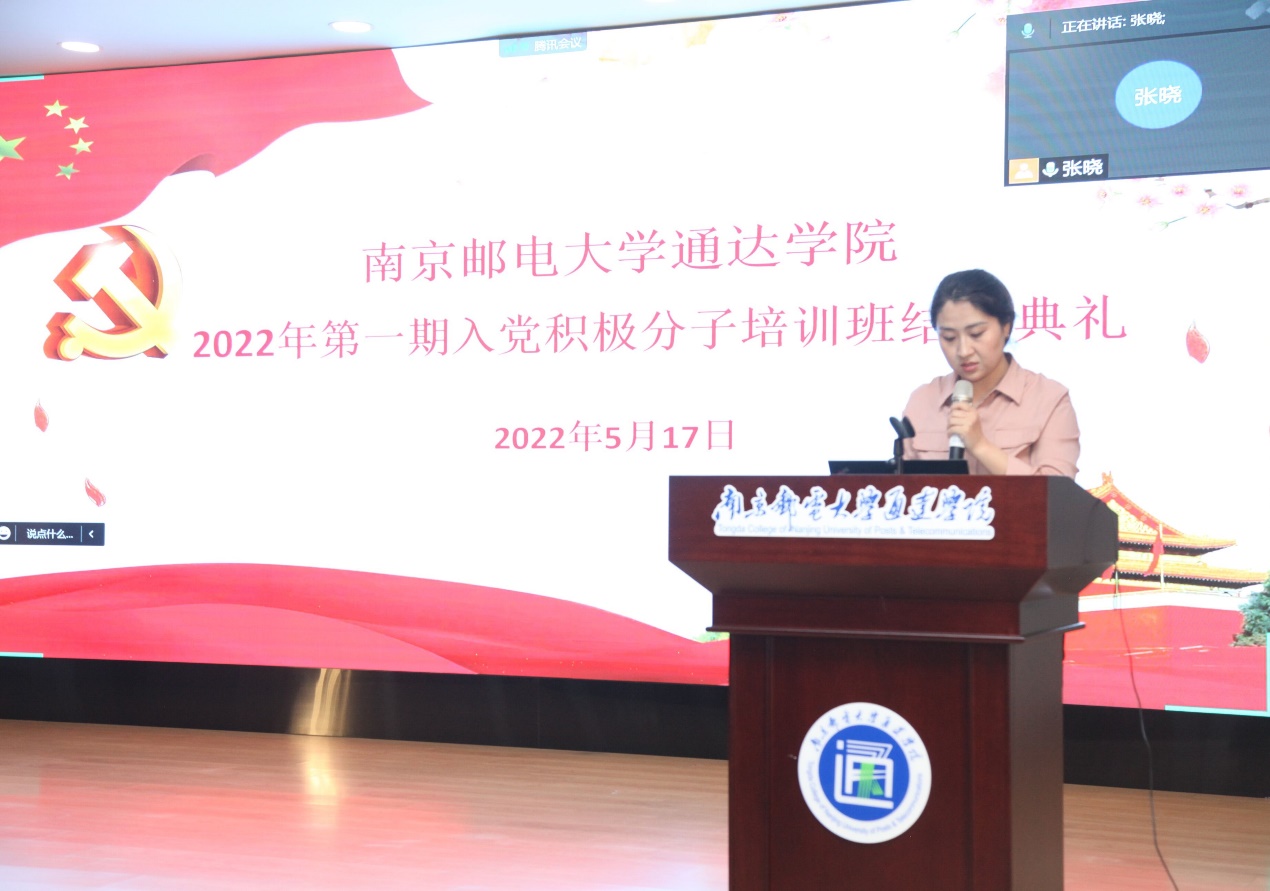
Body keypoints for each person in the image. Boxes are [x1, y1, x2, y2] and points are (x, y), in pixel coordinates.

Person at [901, 269, 1079, 477]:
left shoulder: (1049, 399)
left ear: (1006, 327)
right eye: (949, 337)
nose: (963, 351)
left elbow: (1058, 491)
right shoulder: (922, 401)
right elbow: (902, 489)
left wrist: (980, 445)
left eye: (976, 334)